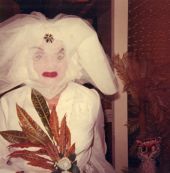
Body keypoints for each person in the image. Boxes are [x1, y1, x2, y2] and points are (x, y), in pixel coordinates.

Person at [0, 12, 117, 173]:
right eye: (39, 55)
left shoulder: (89, 99)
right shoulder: (8, 103)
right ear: (25, 59)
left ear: (71, 59)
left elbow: (97, 152)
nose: (50, 64)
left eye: (60, 55)